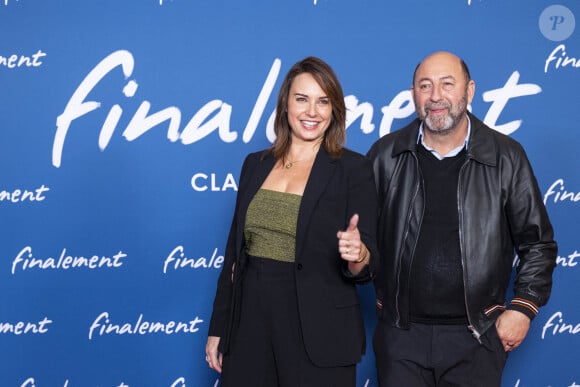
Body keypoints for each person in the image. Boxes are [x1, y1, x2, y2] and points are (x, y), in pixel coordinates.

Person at [367, 51, 557, 387]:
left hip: (477, 338)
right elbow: (362, 240)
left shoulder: (506, 157)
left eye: (447, 84)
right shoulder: (385, 156)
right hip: (401, 338)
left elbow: (537, 242)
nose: (436, 96)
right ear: (413, 95)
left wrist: (523, 307)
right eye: (425, 86)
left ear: (469, 91)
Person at [205, 56, 378, 387]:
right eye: (302, 99)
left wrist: (358, 255)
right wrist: (219, 328)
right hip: (249, 327)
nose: (312, 111)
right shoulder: (254, 164)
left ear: (334, 110)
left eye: (323, 101)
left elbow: (370, 264)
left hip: (319, 332)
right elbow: (234, 257)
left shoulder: (353, 170)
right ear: (285, 104)